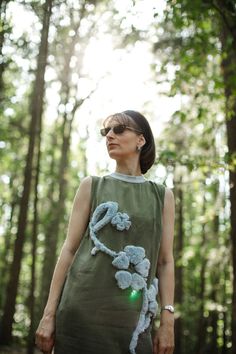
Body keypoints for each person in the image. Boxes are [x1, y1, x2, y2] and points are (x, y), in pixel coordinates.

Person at [35, 110, 175, 354]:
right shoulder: (92, 185)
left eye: (119, 129)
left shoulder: (162, 196)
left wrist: (168, 321)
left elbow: (165, 262)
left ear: (141, 140)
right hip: (80, 313)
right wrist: (49, 314)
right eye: (106, 131)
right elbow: (68, 250)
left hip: (133, 321)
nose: (109, 135)